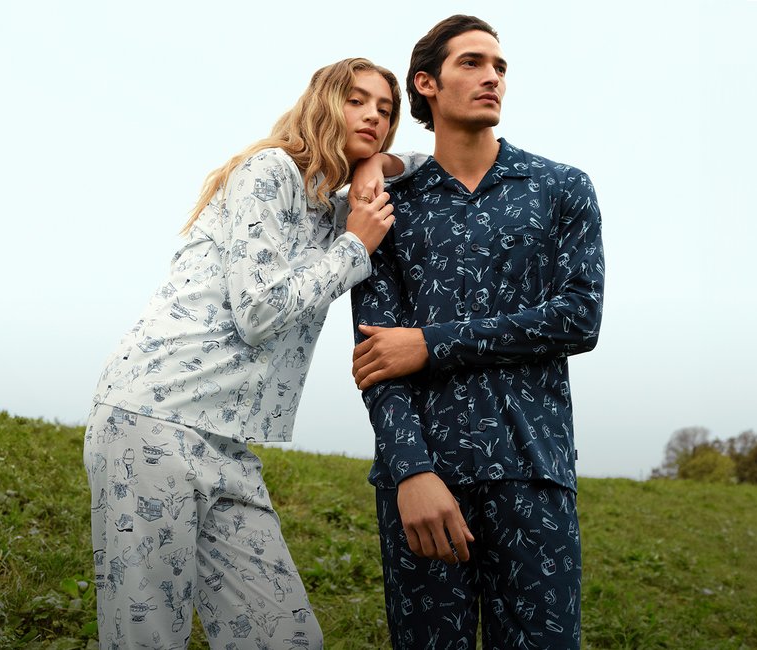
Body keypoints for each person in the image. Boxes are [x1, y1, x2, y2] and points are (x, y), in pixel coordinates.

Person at [86, 57, 425, 648]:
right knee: (147, 636)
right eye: (357, 99)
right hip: (151, 422)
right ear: (323, 102)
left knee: (286, 637)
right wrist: (355, 248)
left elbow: (427, 166)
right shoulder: (270, 172)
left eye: (385, 109)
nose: (373, 113)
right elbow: (259, 311)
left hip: (226, 443)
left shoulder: (335, 209)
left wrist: (374, 161)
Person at [349, 15, 606, 649]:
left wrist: (431, 343)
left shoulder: (560, 188)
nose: (492, 76)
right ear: (426, 84)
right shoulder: (387, 206)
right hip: (423, 485)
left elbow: (579, 316)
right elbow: (377, 356)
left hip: (533, 472)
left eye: (500, 66)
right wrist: (410, 473)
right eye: (472, 63)